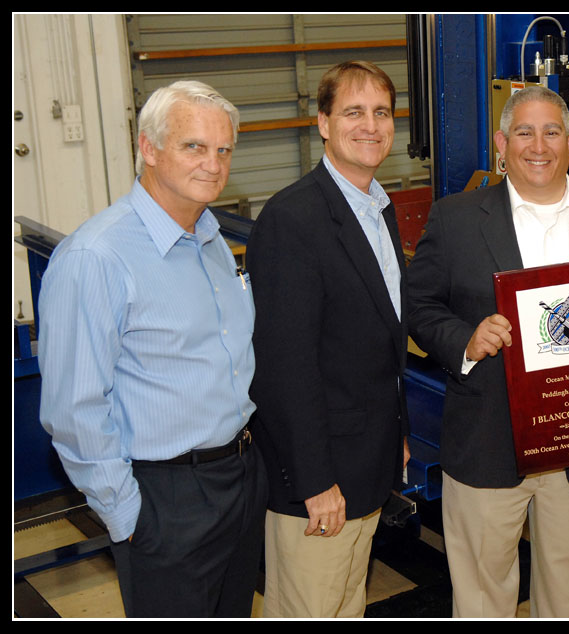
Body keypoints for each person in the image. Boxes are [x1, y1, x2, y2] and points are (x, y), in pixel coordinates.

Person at [407, 85, 569, 618]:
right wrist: (466, 341)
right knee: (480, 599)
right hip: (485, 443)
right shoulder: (455, 219)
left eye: (551, 133)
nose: (537, 145)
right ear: (501, 142)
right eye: (524, 132)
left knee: (567, 597)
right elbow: (419, 306)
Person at [38, 80, 266, 617]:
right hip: (164, 498)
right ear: (148, 148)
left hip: (236, 477)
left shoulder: (208, 239)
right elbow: (74, 409)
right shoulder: (96, 258)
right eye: (194, 146)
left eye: (223, 149)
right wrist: (127, 514)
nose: (213, 164)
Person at [246, 61, 409, 618]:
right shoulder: (293, 220)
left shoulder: (377, 209)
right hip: (319, 485)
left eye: (382, 112)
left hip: (365, 465)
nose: (371, 125)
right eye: (353, 112)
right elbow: (281, 367)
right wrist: (315, 481)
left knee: (346, 605)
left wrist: (397, 436)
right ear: (322, 122)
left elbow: (380, 345)